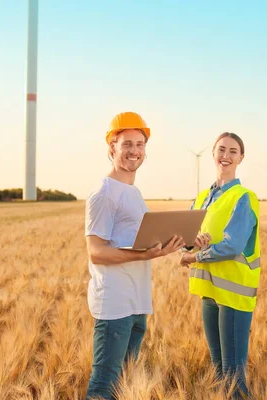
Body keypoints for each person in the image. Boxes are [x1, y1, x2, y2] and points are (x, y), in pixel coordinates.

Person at [85, 111, 185, 400]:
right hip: (114, 303)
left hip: (137, 301)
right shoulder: (104, 193)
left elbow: (142, 242)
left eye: (140, 144)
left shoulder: (133, 192)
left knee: (125, 381)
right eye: (127, 143)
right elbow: (96, 252)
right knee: (104, 385)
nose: (134, 151)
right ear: (111, 148)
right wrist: (142, 256)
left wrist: (180, 242)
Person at [180, 132, 261, 400]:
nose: (226, 156)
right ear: (213, 153)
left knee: (233, 375)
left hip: (234, 296)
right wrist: (192, 244)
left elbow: (232, 245)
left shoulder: (243, 197)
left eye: (233, 151)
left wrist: (195, 257)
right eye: (221, 149)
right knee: (218, 371)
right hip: (209, 293)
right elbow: (185, 240)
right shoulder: (202, 197)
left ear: (241, 158)